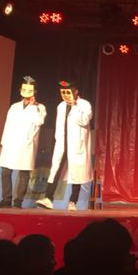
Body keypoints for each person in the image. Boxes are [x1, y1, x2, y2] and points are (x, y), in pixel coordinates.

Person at [36, 80, 93, 211]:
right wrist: (57, 139)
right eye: (63, 93)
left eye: (68, 92)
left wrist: (75, 106)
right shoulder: (61, 106)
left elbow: (84, 120)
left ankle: (73, 202)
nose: (66, 95)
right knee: (55, 170)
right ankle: (48, 198)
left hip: (77, 145)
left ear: (75, 92)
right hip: (62, 144)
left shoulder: (84, 104)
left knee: (76, 173)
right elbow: (59, 125)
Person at [0, 76, 47, 208]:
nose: (27, 93)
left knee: (24, 173)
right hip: (11, 143)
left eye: (30, 90)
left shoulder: (40, 107)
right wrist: (2, 143)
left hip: (26, 144)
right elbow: (7, 125)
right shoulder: (14, 107)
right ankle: (6, 199)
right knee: (5, 171)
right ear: (20, 90)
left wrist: (33, 106)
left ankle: (18, 201)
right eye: (24, 90)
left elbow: (39, 121)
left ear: (35, 92)